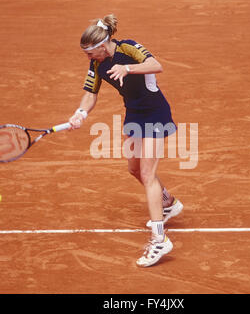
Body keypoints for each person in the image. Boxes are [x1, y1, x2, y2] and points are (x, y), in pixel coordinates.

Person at [68, 14, 183, 267]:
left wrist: (127, 67)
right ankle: (168, 203)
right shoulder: (97, 65)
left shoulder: (127, 47)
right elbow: (90, 93)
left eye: (89, 53)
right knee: (134, 169)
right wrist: (80, 113)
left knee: (148, 173)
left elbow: (156, 64)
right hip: (134, 114)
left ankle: (160, 240)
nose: (88, 58)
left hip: (155, 113)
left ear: (101, 46)